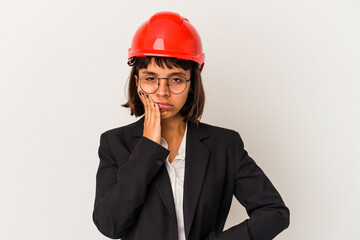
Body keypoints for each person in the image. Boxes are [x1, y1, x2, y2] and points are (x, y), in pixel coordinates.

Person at [92, 11, 290, 240]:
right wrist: (147, 149)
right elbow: (109, 225)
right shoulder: (114, 144)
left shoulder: (224, 145)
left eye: (176, 79)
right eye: (150, 78)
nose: (162, 91)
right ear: (137, 82)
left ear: (192, 83)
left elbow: (274, 213)